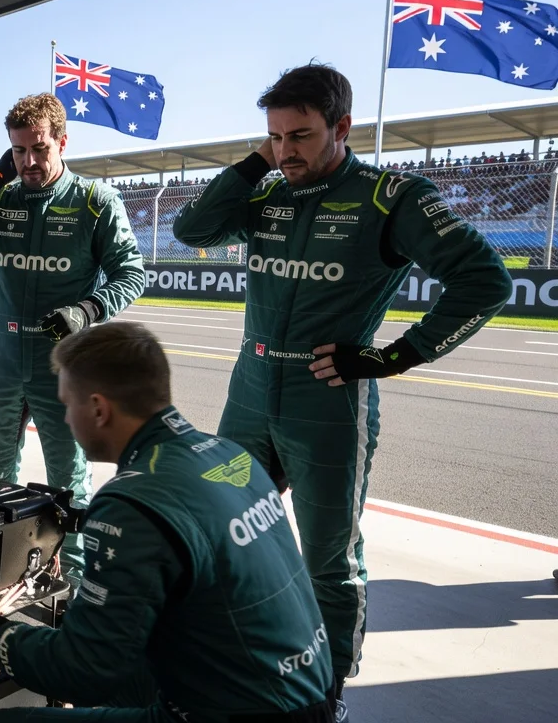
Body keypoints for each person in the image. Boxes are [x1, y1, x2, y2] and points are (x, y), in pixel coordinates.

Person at [172, 63, 511, 720]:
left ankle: (324, 692)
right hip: (249, 397)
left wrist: (395, 357)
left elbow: (484, 281)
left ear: (343, 128)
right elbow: (191, 230)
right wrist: (254, 162)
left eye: (300, 135)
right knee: (224, 532)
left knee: (327, 557)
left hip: (326, 405)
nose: (284, 151)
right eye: (274, 136)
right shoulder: (266, 191)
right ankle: (238, 660)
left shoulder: (392, 197)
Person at [0, 322, 335, 723]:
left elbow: (82, 670)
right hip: (307, 691)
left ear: (97, 409)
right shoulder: (229, 455)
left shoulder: (131, 501)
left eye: (66, 404)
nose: (66, 420)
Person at [0, 93, 145, 586]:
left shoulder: (95, 201)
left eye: (39, 149)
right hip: (1, 358)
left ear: (62, 142)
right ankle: (0, 573)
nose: (28, 161)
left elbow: (132, 275)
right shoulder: (2, 195)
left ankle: (75, 584)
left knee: (67, 477)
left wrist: (86, 310)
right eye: (18, 151)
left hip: (63, 364)